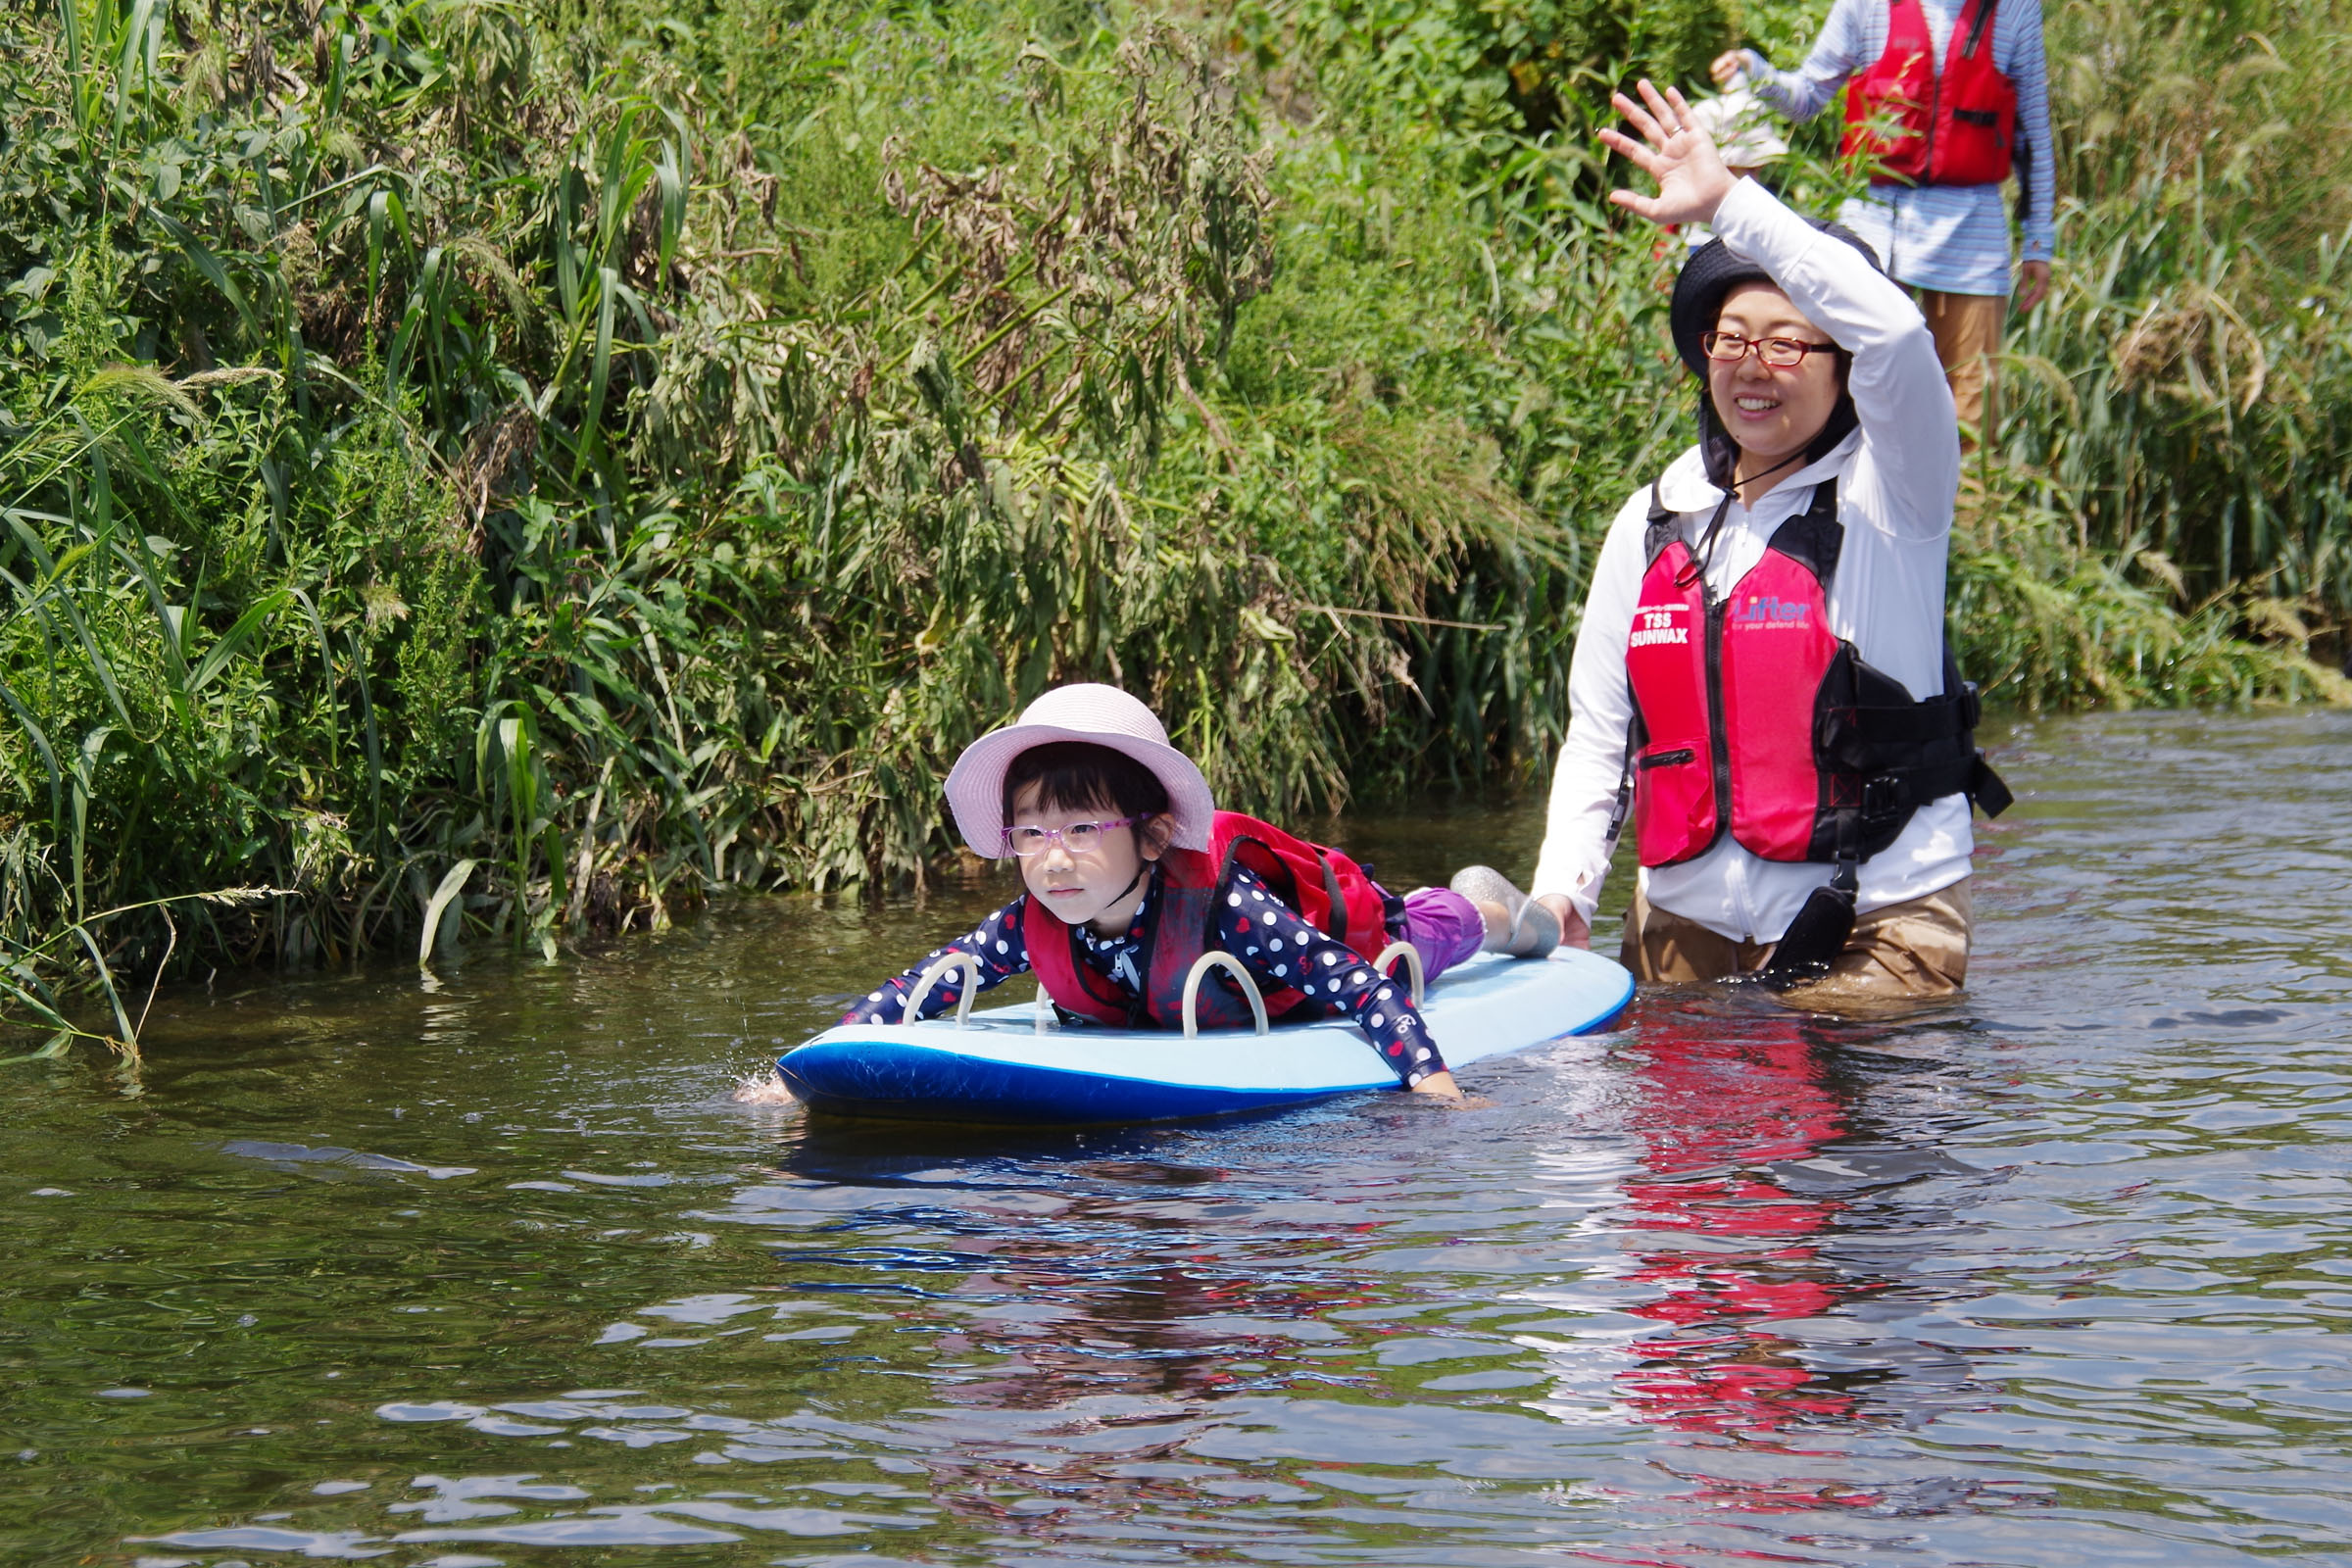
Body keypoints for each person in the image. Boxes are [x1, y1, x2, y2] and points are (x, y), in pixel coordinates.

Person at [1528, 80, 2008, 996]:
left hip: (1875, 927)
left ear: (1844, 369)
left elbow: (1903, 336)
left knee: (1811, 1106)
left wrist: (1728, 207)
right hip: (1683, 928)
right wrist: (1563, 895)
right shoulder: (1651, 520)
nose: (1754, 368)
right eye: (1731, 339)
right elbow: (1599, 737)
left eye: (1789, 345)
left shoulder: (1896, 497)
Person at [843, 684, 1565, 1100]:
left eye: (1082, 828)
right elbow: (924, 984)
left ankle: (1494, 909)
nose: (1052, 858)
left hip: (1356, 937)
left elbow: (1363, 990)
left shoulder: (1231, 911)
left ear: (1153, 837)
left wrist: (1430, 1080)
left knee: (1435, 931)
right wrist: (825, 1059)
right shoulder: (1030, 921)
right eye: (1030, 834)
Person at [1711, 0, 2055, 441]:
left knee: (1970, 408)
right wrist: (1756, 70)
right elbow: (1807, 98)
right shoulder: (1863, 5)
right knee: (1847, 389)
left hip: (1973, 237)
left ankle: (1966, 508)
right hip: (1871, 229)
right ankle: (1841, 505)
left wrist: (2038, 243)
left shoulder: (2016, 10)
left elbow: (2034, 134)